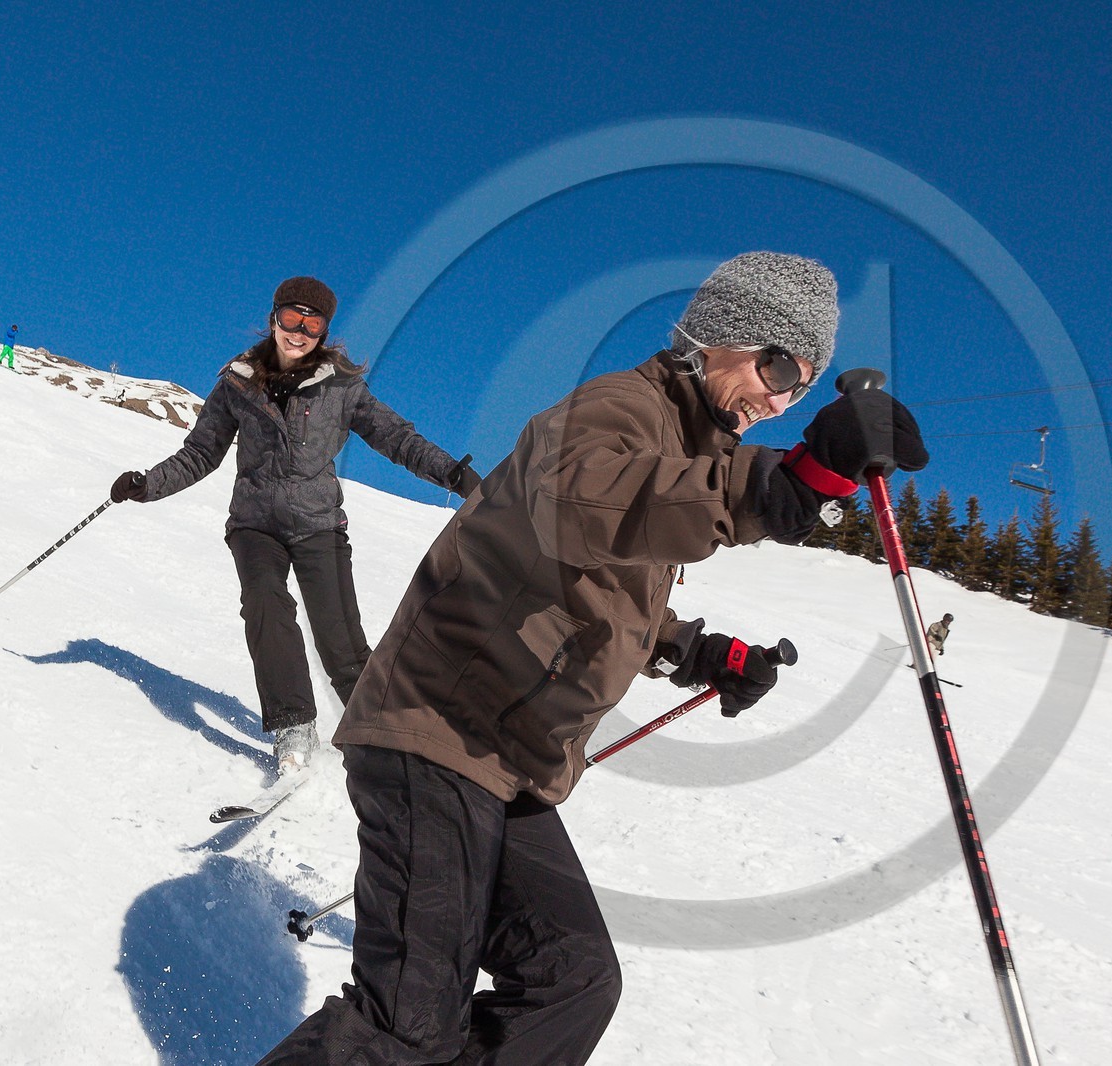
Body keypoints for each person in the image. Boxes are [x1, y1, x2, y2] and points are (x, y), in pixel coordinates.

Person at [258, 251, 927, 1065]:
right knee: (408, 1020)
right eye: (776, 366)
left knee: (570, 982)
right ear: (723, 335)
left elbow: (603, 598)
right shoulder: (618, 409)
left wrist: (702, 651)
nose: (778, 399)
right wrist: (774, 487)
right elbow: (584, 505)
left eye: (799, 386)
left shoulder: (684, 446)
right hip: (438, 728)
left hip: (511, 763)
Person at [110, 277, 479, 773]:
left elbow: (396, 438)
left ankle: (379, 734)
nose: (299, 332)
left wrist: (452, 474)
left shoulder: (343, 386)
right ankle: (294, 725)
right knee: (265, 605)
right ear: (273, 319)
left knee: (341, 641)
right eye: (291, 319)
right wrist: (147, 484)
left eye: (313, 323)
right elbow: (201, 453)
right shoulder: (238, 382)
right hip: (255, 523)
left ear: (324, 331)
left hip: (317, 524)